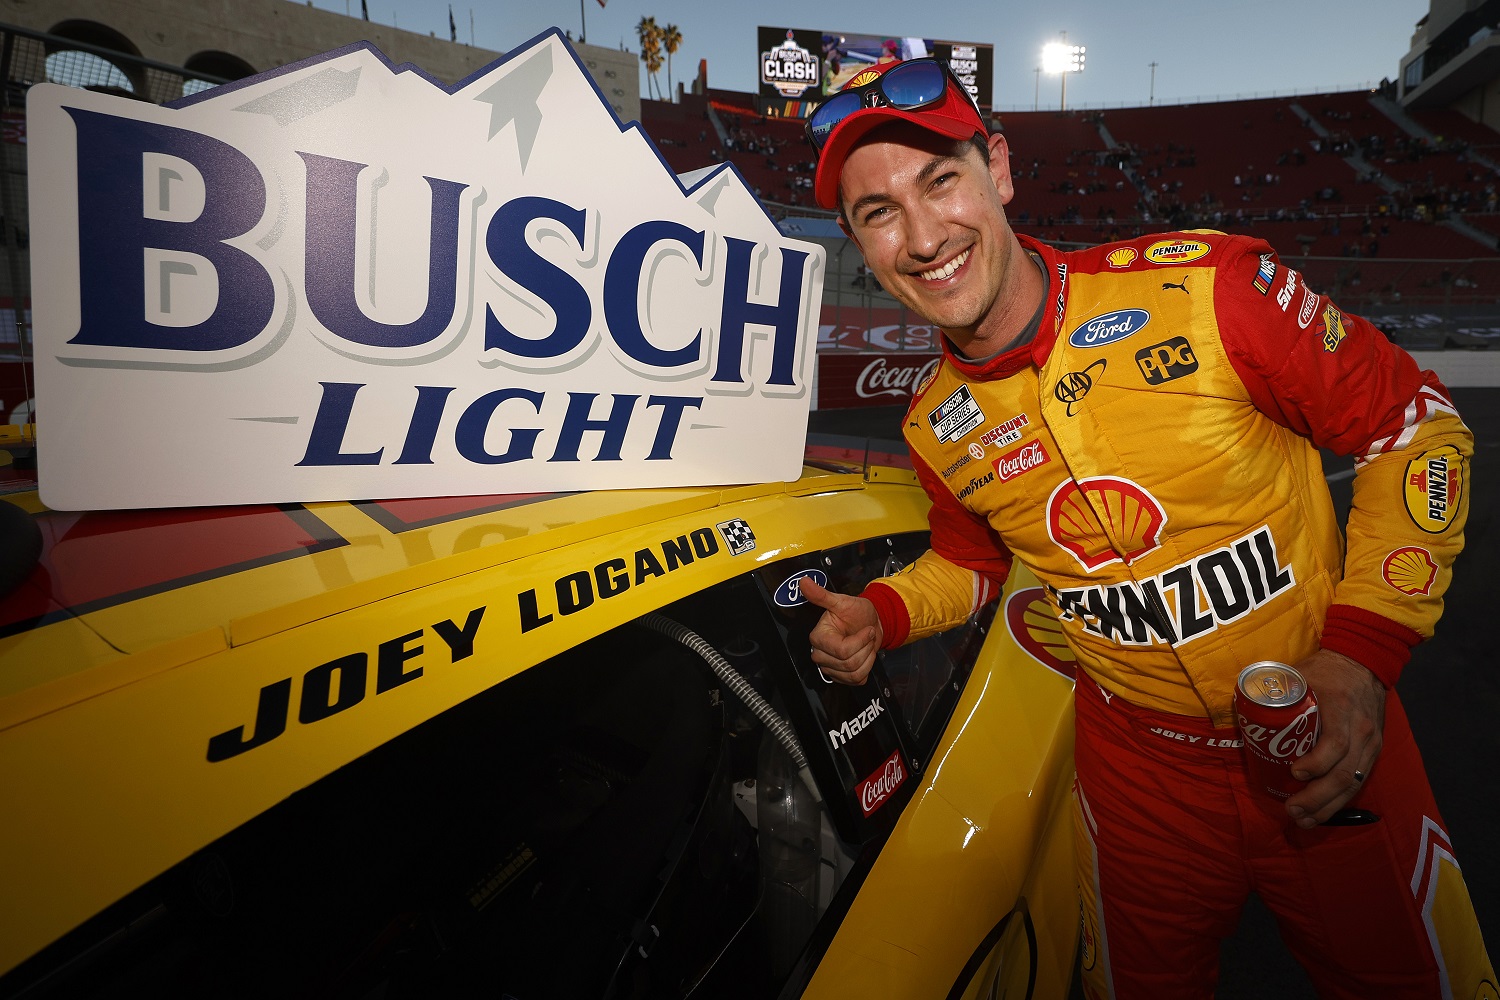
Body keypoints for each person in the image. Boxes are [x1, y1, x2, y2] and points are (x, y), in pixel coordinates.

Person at [798, 57, 1495, 999]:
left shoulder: (1213, 290)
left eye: (940, 179)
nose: (923, 237)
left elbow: (1415, 429)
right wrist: (880, 615)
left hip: (1323, 727)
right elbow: (974, 563)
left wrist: (1362, 656)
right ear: (855, 241)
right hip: (1136, 778)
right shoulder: (933, 421)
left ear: (998, 170)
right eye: (879, 213)